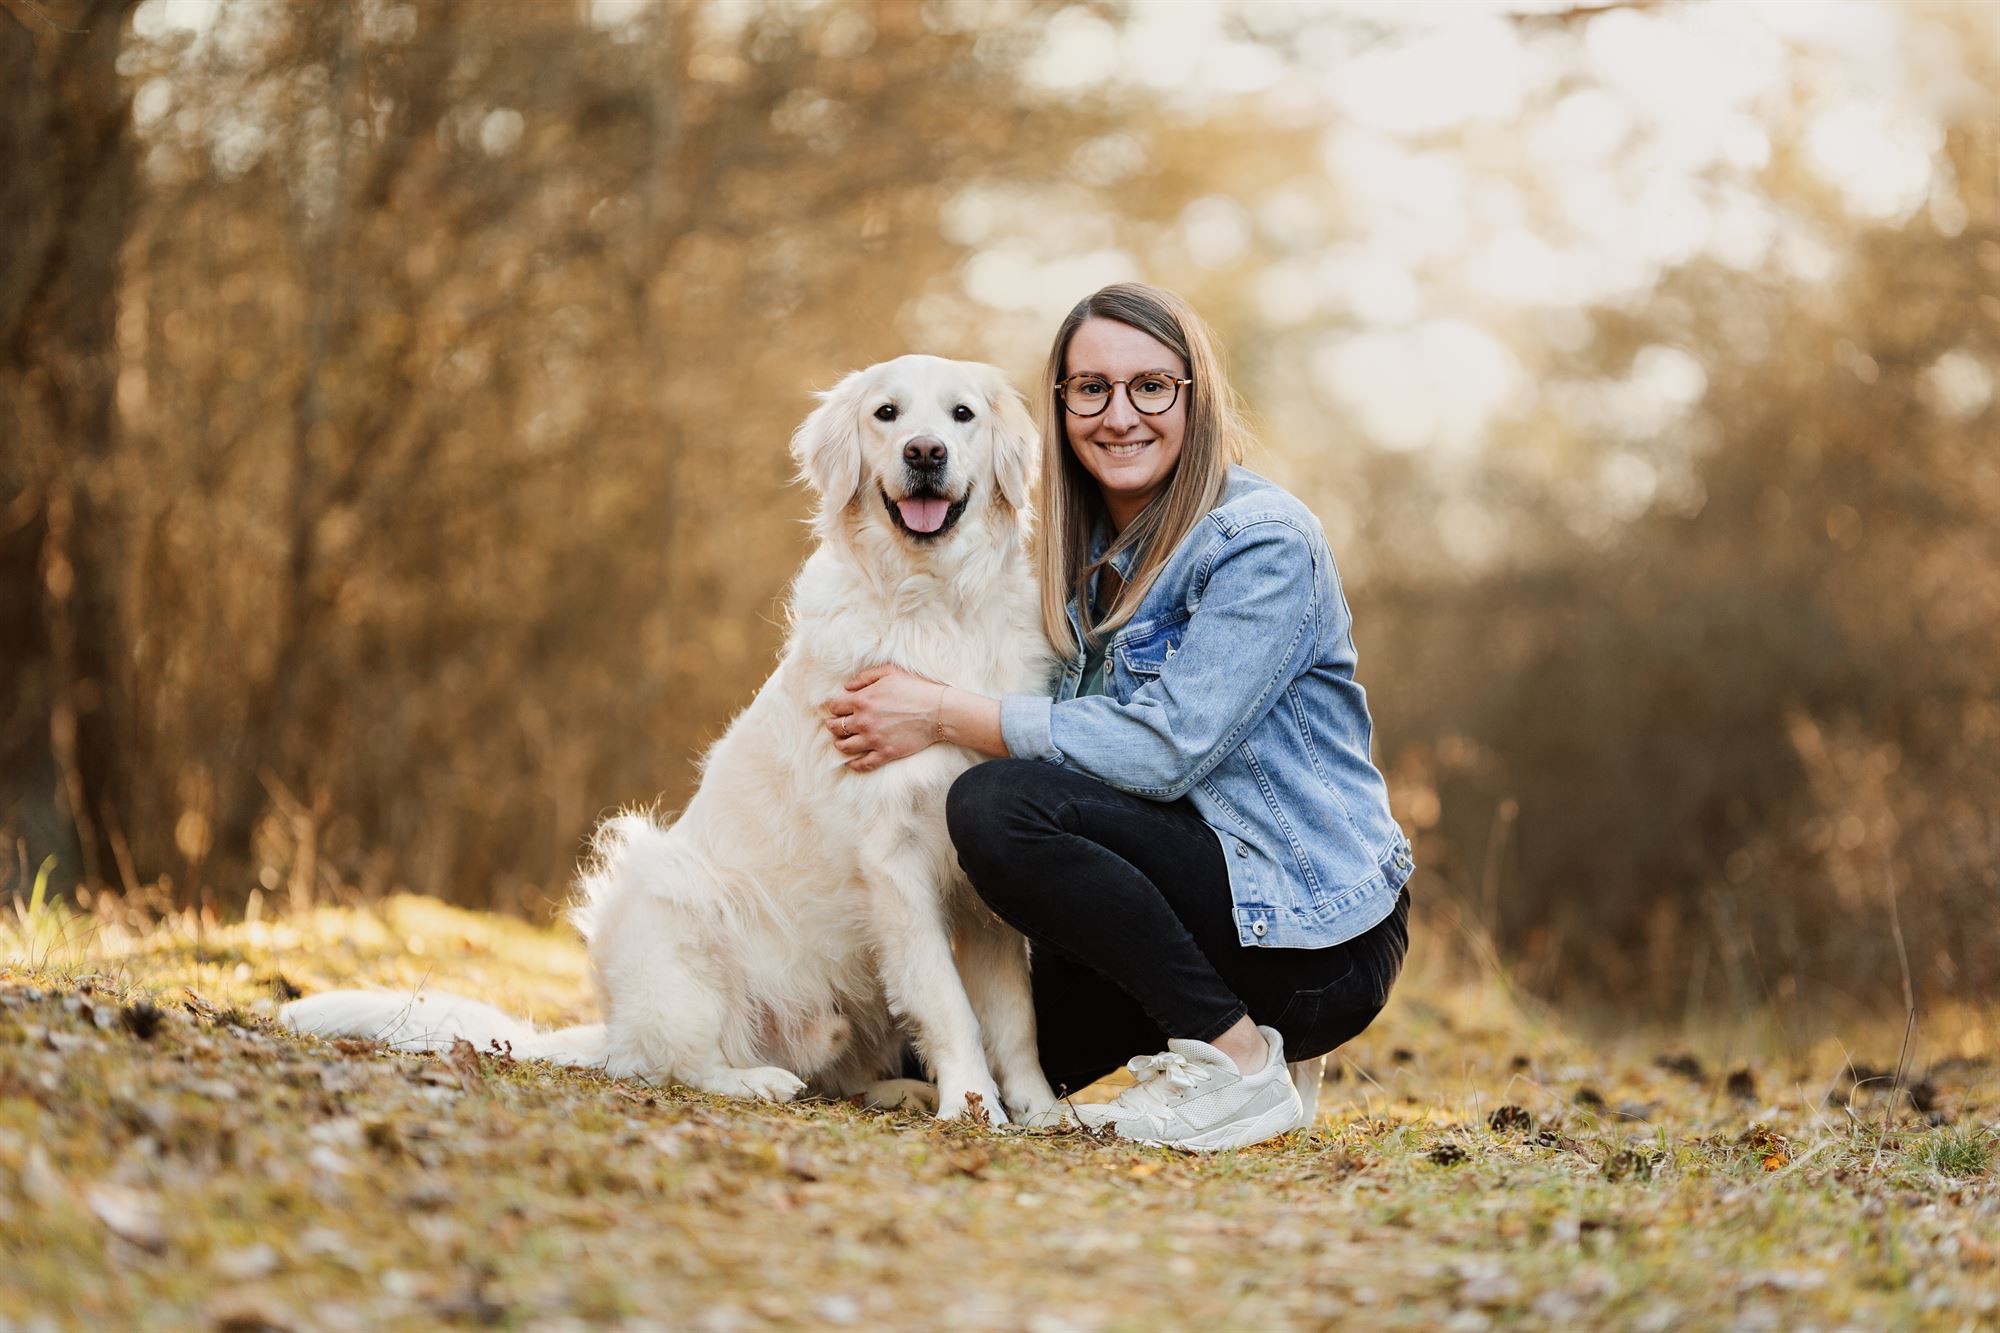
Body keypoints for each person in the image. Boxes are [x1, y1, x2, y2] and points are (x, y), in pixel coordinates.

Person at [824, 283, 1411, 1151]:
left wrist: (946, 712)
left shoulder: (1261, 540)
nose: (1119, 414)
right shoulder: (1074, 560)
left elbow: (1165, 748)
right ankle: (1245, 1047)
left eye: (1151, 386)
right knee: (937, 1063)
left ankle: (1242, 1061)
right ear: (1061, 409)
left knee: (995, 804)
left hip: (1311, 936)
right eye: (1091, 389)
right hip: (1184, 908)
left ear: (1194, 399)